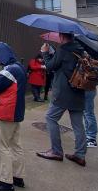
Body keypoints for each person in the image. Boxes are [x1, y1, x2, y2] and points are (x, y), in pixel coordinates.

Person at [37, 34, 88, 167]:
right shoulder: (81, 50)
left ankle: (56, 151)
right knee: (78, 124)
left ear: (61, 36)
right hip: (78, 91)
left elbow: (49, 66)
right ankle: (80, 155)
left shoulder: (63, 49)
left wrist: (45, 53)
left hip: (64, 92)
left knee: (50, 118)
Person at [0, 42, 27, 191]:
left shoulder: (9, 70)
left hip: (6, 112)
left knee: (1, 146)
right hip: (17, 113)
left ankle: (5, 181)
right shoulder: (20, 68)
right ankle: (18, 177)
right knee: (16, 145)